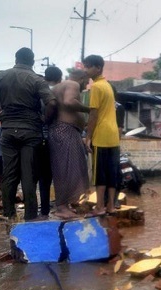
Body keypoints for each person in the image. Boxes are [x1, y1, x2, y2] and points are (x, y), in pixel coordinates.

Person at [0, 48, 57, 221]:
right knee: (29, 176)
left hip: (8, 131)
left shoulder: (0, 76)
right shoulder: (36, 80)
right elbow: (52, 103)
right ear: (32, 61)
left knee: (9, 175)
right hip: (31, 132)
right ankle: (30, 217)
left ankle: (10, 216)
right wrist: (43, 120)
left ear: (16, 59)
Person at [49, 70, 91, 219]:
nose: (86, 85)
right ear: (82, 78)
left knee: (66, 170)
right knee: (68, 171)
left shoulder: (58, 87)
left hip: (62, 131)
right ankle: (61, 207)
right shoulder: (72, 84)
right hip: (65, 131)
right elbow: (69, 101)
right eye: (86, 81)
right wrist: (89, 109)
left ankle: (66, 205)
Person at [82, 55, 120, 217]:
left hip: (101, 135)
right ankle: (110, 206)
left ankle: (99, 207)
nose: (86, 69)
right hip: (113, 136)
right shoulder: (108, 86)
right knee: (112, 173)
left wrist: (88, 137)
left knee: (100, 174)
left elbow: (93, 114)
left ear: (98, 68)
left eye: (89, 66)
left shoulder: (96, 87)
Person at [39, 66, 63, 218]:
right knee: (60, 174)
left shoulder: (38, 90)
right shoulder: (59, 91)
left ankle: (44, 209)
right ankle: (62, 206)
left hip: (38, 138)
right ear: (60, 78)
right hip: (57, 137)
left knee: (43, 177)